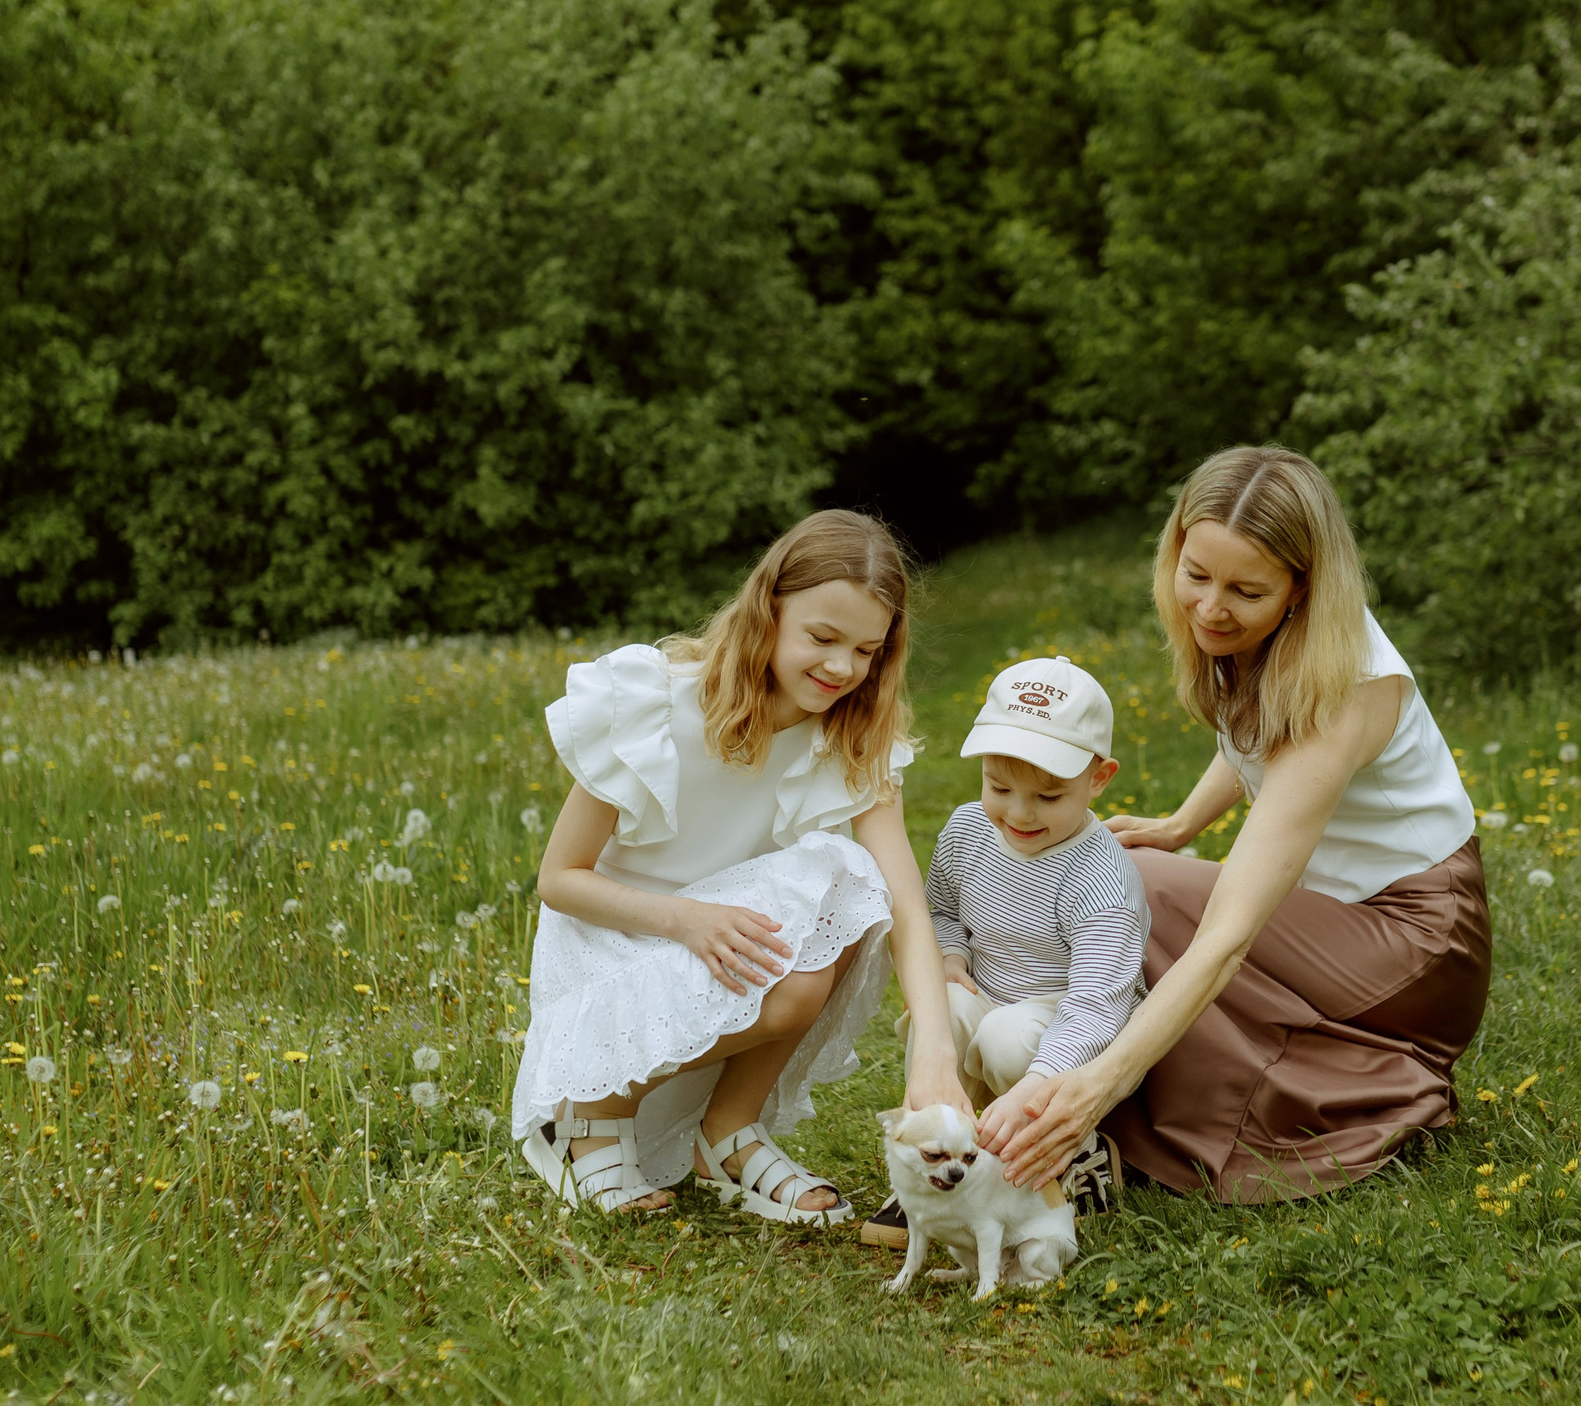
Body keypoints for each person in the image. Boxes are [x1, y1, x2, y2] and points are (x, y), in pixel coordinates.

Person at [979, 447, 1490, 1201]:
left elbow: (1228, 936)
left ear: (1301, 587)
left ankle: (1091, 1105)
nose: (1211, 608)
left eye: (1245, 590)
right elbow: (1256, 741)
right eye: (1196, 575)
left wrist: (1102, 1083)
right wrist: (1184, 822)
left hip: (1414, 945)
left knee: (1129, 882)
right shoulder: (1264, 636)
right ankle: (1038, 1061)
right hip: (1339, 919)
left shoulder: (1347, 684)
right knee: (1119, 866)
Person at [511, 510, 974, 1221]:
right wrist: (684, 918)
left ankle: (728, 1127)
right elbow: (559, 879)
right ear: (770, 609)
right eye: (822, 638)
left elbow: (905, 906)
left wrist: (934, 1054)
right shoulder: (656, 700)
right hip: (616, 943)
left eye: (867, 650)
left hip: (727, 948)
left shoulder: (850, 739)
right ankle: (590, 1108)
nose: (843, 668)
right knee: (829, 888)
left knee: (853, 878)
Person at [858, 657, 1142, 1247]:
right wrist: (952, 959)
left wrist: (1036, 1086)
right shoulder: (967, 832)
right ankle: (943, 1157)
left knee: (1006, 1036)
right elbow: (940, 911)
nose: (1018, 812)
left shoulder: (1101, 879)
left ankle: (1071, 1153)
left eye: (1047, 794)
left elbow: (1098, 1004)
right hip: (989, 996)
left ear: (1099, 779)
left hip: (1068, 1027)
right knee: (948, 1009)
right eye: (999, 787)